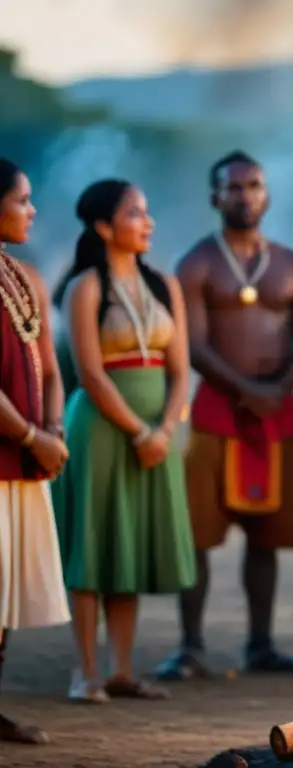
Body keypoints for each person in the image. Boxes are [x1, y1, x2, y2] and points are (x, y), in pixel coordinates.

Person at [156, 151, 293, 680]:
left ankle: (260, 644)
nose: (243, 195)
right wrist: (250, 389)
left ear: (266, 194)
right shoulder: (197, 263)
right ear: (214, 197)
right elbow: (194, 344)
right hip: (217, 410)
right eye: (232, 187)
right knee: (199, 533)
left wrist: (277, 390)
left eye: (253, 185)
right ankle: (190, 647)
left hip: (277, 409)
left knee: (266, 535)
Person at [52, 179, 195, 703]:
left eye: (146, 211)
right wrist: (138, 431)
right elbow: (89, 373)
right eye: (135, 213)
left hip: (155, 430)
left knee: (129, 543)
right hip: (102, 428)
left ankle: (122, 671)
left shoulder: (165, 286)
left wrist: (164, 429)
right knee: (94, 543)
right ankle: (85, 671)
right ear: (104, 226)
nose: (147, 222)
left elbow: (180, 370)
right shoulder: (84, 287)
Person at [0, 160, 70, 744]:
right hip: (12, 450)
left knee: (3, 588)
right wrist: (32, 438)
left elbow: (49, 366)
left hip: (26, 457)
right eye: (23, 199)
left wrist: (53, 430)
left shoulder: (25, 277)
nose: (32, 209)